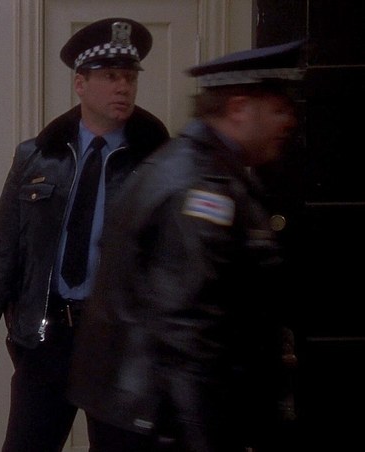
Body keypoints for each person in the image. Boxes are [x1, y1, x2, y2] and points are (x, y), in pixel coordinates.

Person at [66, 39, 305, 452]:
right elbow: (187, 329)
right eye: (279, 109)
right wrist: (208, 438)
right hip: (163, 418)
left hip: (152, 411)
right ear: (239, 108)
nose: (289, 122)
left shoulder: (199, 167)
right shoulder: (199, 186)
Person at [0, 18, 169, 451]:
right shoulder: (38, 155)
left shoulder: (157, 160)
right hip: (48, 335)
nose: (123, 87)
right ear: (80, 83)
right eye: (110, 76)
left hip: (120, 341)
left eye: (129, 77)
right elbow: (3, 243)